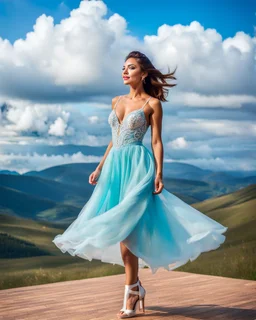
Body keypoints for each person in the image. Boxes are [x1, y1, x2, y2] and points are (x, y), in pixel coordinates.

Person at [52, 51, 228, 319]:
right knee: (120, 230)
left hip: (138, 167)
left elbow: (156, 141)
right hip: (115, 170)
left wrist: (159, 172)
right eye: (123, 67)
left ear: (143, 74)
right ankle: (135, 288)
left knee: (128, 231)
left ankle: (131, 292)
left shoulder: (153, 104)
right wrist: (100, 166)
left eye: (131, 68)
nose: (125, 71)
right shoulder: (116, 101)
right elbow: (115, 139)